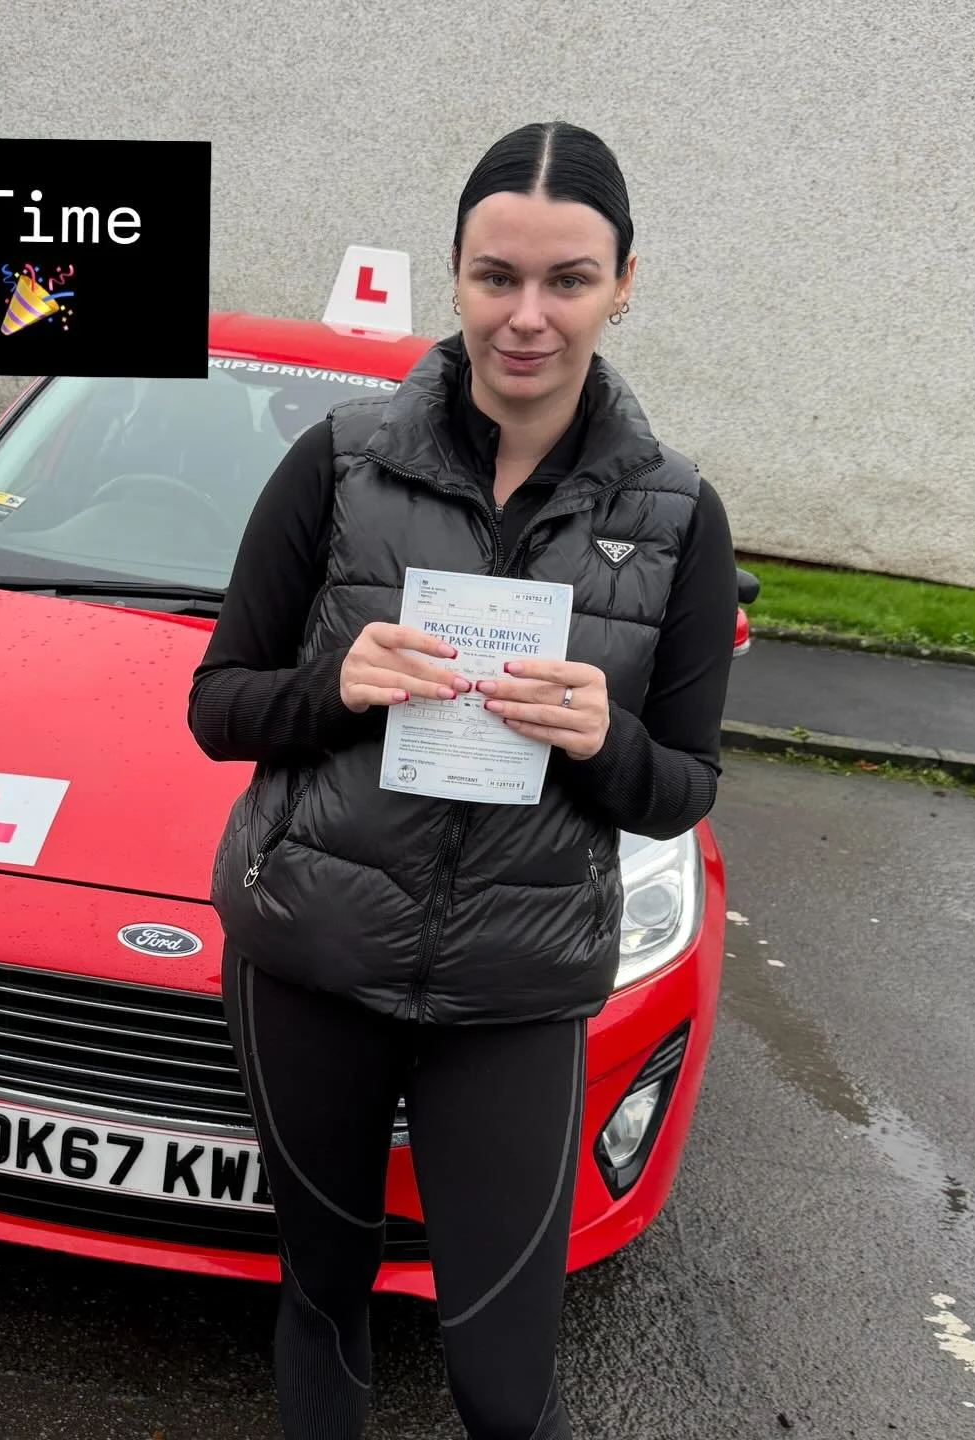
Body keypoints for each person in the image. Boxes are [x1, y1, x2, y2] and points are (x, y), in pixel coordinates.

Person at [187, 121, 738, 1440]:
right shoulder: (339, 463)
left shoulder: (676, 516)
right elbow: (220, 706)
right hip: (312, 960)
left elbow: (683, 787)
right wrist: (338, 690)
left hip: (513, 988)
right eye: (498, 277)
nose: (529, 317)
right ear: (456, 276)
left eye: (568, 279)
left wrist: (602, 737)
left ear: (624, 282)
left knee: (504, 1380)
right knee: (324, 1296)